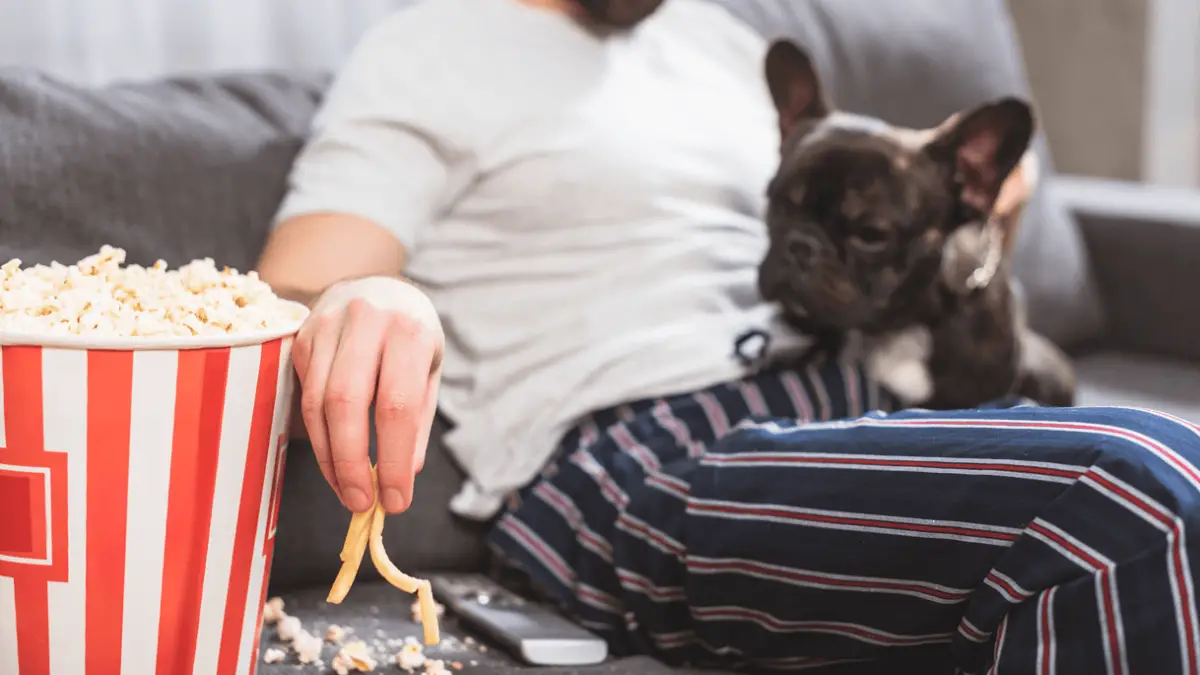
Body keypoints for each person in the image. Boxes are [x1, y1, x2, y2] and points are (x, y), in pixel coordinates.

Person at [257, 0, 1200, 672]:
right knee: (1135, 489)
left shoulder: (715, 37)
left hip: (853, 390)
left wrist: (985, 219)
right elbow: (297, 280)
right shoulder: (430, 46)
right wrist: (374, 293)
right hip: (641, 454)